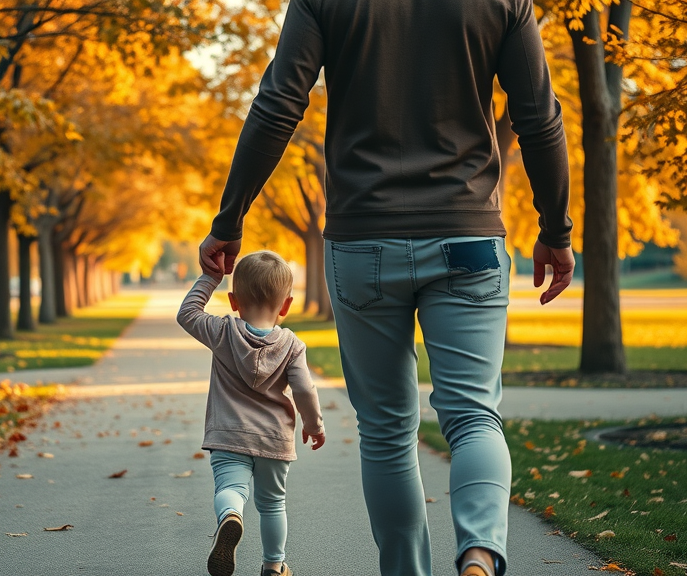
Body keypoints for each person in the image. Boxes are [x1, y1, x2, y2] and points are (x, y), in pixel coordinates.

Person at [197, 0, 576, 575]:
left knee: (387, 431)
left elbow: (278, 105)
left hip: (362, 240)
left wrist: (230, 220)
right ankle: (478, 554)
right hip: (468, 235)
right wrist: (555, 227)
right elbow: (538, 116)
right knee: (474, 416)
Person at [177, 250, 326, 576]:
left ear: (233, 300)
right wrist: (314, 424)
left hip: (228, 434)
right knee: (273, 503)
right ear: (285, 306)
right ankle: (274, 566)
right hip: (274, 439)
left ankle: (230, 515)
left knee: (231, 490)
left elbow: (187, 314)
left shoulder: (222, 332)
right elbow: (304, 389)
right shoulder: (291, 345)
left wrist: (210, 277)